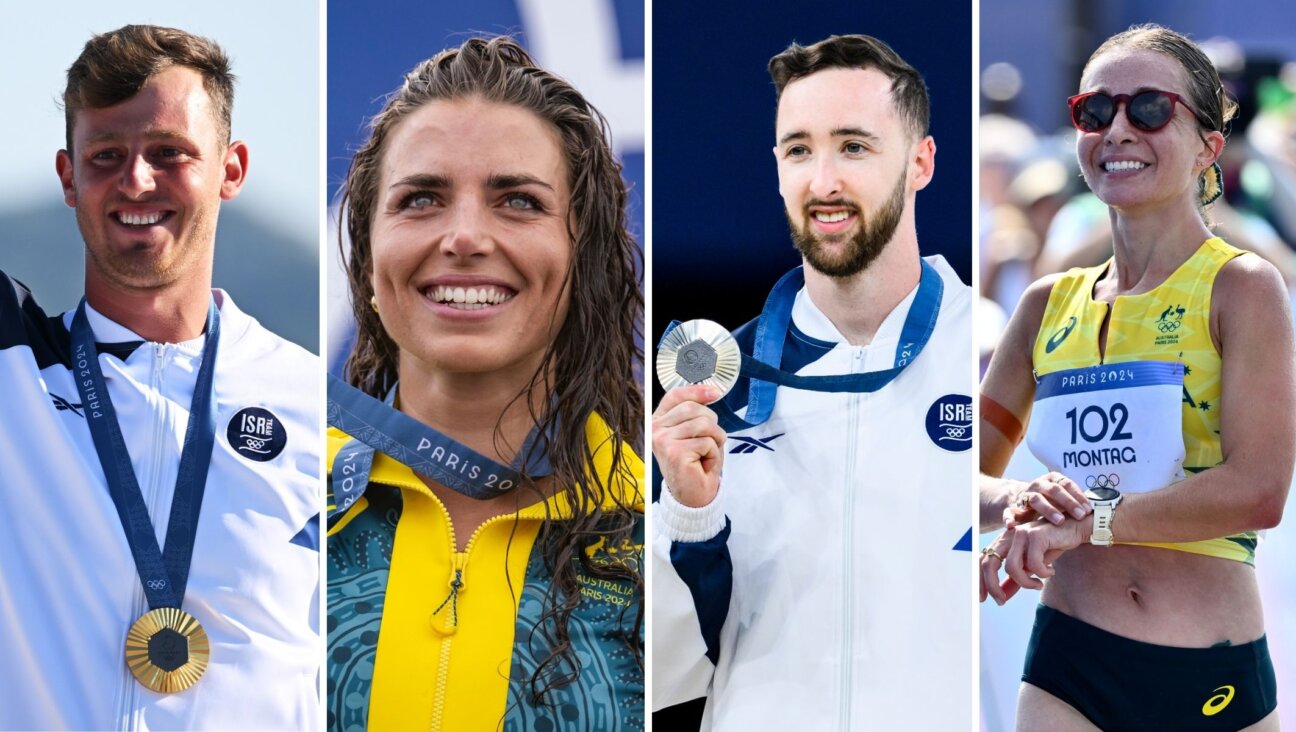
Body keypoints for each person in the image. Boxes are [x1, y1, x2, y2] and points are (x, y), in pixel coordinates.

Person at [0, 25, 320, 730]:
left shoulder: (317, 404)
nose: (136, 180)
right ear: (67, 176)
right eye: (106, 156)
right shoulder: (12, 372)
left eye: (169, 153)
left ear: (231, 168)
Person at [652, 34, 973, 730]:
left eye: (854, 147)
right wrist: (689, 518)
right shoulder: (718, 388)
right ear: (776, 166)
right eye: (799, 150)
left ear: (921, 162)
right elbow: (660, 673)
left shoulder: (991, 352)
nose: (822, 182)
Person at [979, 24, 1293, 732]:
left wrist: (1093, 521)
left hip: (1210, 677)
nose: (1117, 129)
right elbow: (961, 479)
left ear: (1208, 144)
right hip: (1068, 669)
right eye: (1095, 110)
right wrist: (1022, 503)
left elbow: (1260, 490)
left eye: (1148, 108)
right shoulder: (1043, 305)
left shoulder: (1243, 288)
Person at [325, 36, 644, 731]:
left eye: (519, 202)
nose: (464, 236)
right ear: (368, 255)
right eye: (421, 199)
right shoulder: (273, 504)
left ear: (579, 256)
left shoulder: (667, 537)